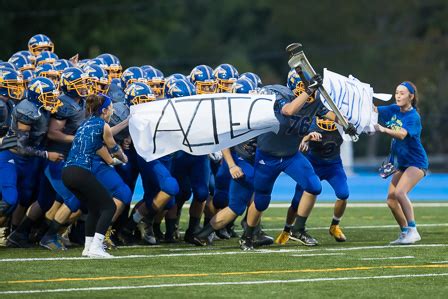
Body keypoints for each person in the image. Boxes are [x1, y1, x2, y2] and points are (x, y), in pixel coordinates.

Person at [62, 93, 127, 258]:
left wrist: (116, 160)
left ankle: (88, 247)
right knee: (109, 207)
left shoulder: (84, 125)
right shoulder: (102, 125)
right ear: (104, 110)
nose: (112, 110)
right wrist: (125, 158)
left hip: (67, 172)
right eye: (111, 107)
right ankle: (97, 247)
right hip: (80, 171)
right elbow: (114, 149)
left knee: (94, 208)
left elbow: (108, 159)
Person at [275, 116, 349, 245]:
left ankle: (334, 226)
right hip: (313, 164)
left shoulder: (342, 121)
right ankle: (287, 230)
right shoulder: (310, 121)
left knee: (343, 194)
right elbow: (298, 140)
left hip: (333, 165)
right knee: (297, 201)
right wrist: (306, 138)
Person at [374, 81, 428, 245]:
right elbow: (374, 110)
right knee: (391, 200)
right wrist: (359, 95)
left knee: (399, 193)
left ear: (411, 97)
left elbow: (402, 134)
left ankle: (413, 230)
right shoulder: (393, 109)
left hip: (416, 162)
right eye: (397, 92)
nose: (398, 95)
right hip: (402, 164)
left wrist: (383, 129)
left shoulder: (413, 116)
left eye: (402, 93)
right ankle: (405, 232)